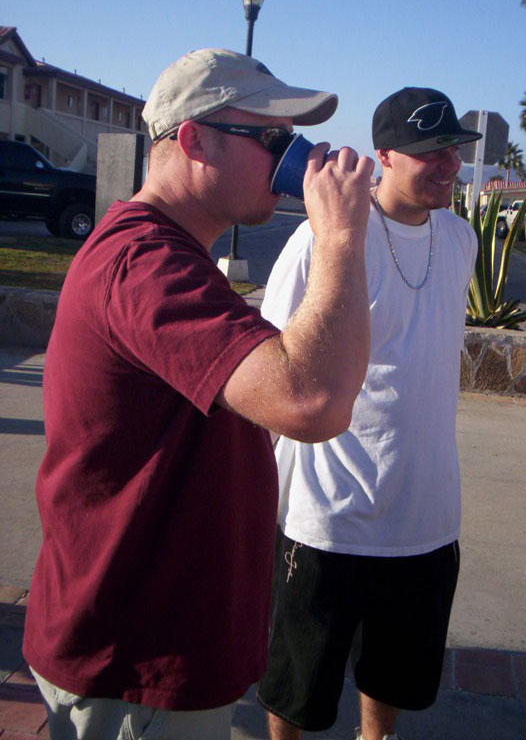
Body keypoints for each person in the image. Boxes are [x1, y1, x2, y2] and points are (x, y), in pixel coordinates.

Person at [23, 48, 374, 740]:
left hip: (156, 656)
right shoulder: (144, 264)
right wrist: (339, 237)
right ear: (192, 140)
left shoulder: (170, 255)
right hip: (136, 668)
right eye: (272, 139)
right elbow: (314, 402)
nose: (291, 155)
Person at [257, 87, 481, 740]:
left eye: (453, 150)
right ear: (384, 154)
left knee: (393, 674)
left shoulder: (461, 239)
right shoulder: (320, 239)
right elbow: (273, 359)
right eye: (428, 152)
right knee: (296, 681)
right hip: (328, 515)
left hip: (426, 513)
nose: (446, 164)